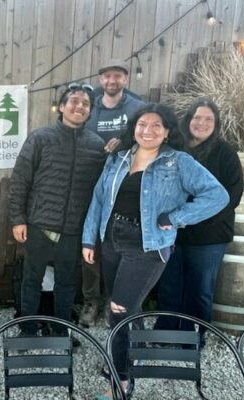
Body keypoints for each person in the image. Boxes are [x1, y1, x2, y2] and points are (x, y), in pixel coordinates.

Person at [81, 103, 229, 399]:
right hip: (112, 240)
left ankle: (121, 378)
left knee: (119, 310)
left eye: (156, 126)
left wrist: (175, 218)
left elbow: (218, 195)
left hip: (147, 245)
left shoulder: (178, 162)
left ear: (167, 132)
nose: (147, 131)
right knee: (126, 304)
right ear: (134, 128)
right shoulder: (119, 159)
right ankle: (138, 350)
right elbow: (99, 199)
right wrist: (88, 239)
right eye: (142, 125)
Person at [8, 82, 106, 337]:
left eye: (85, 104)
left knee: (67, 282)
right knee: (32, 278)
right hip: (39, 224)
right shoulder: (40, 138)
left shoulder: (97, 146)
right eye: (74, 101)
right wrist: (18, 219)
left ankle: (61, 330)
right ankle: (27, 328)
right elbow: (20, 180)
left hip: (75, 229)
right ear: (62, 107)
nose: (79, 106)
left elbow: (101, 191)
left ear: (90, 111)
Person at [154, 99, 244, 346]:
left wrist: (194, 219)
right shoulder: (175, 149)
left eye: (208, 119)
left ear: (216, 125)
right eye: (197, 117)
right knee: (169, 285)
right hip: (172, 232)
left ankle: (193, 338)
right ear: (188, 120)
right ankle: (165, 332)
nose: (201, 123)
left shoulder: (224, 153)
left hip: (209, 236)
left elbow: (230, 197)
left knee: (200, 290)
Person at [80, 59, 146, 328]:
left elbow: (147, 137)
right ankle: (91, 300)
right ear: (101, 80)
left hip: (122, 186)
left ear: (125, 79)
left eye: (117, 76)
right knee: (90, 243)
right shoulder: (89, 104)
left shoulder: (137, 107)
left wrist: (126, 141)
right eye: (106, 76)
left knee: (115, 247)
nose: (111, 81)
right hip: (87, 182)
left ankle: (113, 301)